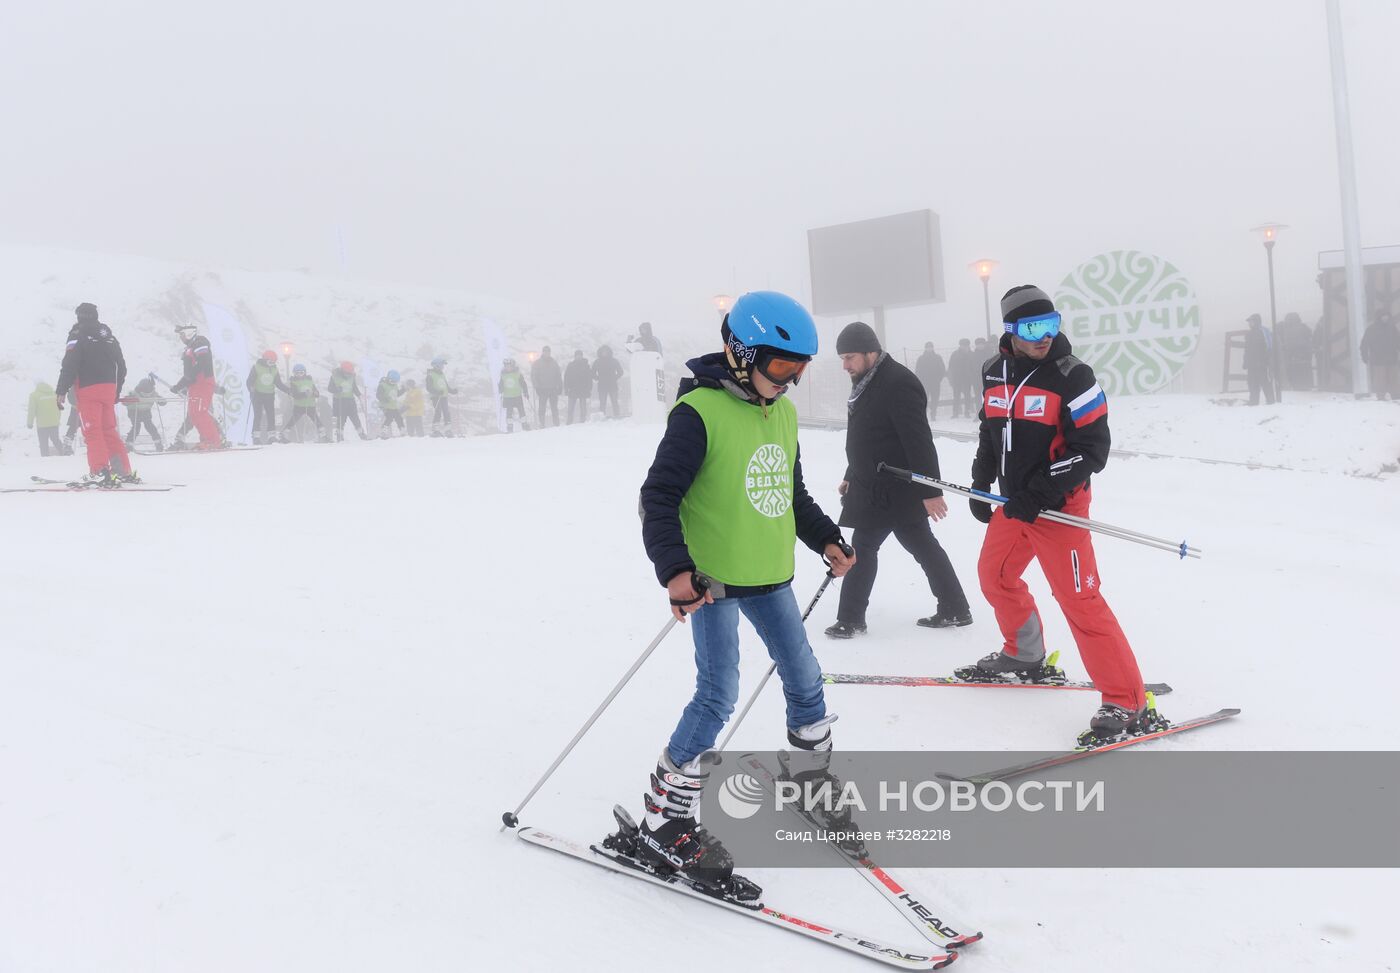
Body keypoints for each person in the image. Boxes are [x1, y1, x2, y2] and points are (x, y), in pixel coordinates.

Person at [634, 290, 855, 887]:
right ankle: (665, 817)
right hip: (713, 584)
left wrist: (826, 538)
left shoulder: (779, 413)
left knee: (805, 677)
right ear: (740, 352)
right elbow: (658, 497)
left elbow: (790, 493)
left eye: (800, 370)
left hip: (770, 577)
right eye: (782, 366)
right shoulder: (698, 413)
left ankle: (811, 778)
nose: (789, 382)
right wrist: (676, 571)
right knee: (718, 694)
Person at [961, 284, 1157, 744]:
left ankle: (1126, 699)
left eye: (1051, 325)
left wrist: (1041, 491)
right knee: (996, 576)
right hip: (1015, 505)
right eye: (1032, 327)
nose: (1044, 336)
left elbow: (1093, 450)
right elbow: (990, 431)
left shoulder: (1073, 376)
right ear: (1009, 331)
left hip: (1060, 508)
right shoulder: (994, 371)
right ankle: (1024, 653)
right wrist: (981, 480)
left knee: (1079, 601)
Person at [824, 322, 971, 639]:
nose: (845, 365)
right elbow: (866, 436)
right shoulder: (867, 381)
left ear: (869, 352)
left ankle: (850, 619)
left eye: (849, 357)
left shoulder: (898, 383)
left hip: (893, 486)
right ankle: (955, 607)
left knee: (864, 547)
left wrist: (930, 490)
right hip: (873, 483)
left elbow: (918, 440)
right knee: (920, 545)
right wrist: (851, 474)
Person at [54, 302, 132, 484]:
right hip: (108, 388)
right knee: (109, 430)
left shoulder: (77, 334)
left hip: (88, 388)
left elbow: (70, 364)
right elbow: (122, 365)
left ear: (79, 316)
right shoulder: (108, 336)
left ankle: (99, 471)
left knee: (92, 431)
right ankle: (122, 471)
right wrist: (116, 389)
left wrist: (61, 390)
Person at [170, 324, 223, 447]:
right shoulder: (189, 347)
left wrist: (187, 380)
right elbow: (189, 373)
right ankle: (205, 439)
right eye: (180, 335)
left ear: (189, 333)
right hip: (194, 384)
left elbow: (202, 363)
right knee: (193, 413)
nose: (181, 338)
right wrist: (179, 386)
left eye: (182, 334)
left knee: (200, 412)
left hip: (203, 382)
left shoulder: (200, 343)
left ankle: (213, 440)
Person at [246, 350, 291, 445]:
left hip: (269, 395)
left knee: (271, 415)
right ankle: (256, 437)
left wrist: (288, 390)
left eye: (274, 362)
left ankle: (271, 436)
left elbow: (278, 383)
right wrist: (251, 387)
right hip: (257, 394)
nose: (272, 364)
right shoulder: (257, 367)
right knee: (258, 415)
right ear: (265, 359)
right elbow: (249, 381)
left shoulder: (274, 369)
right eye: (270, 362)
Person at [1360, 309, 1400, 401]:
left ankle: (1396, 394)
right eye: (1383, 316)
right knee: (1380, 379)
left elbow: (1398, 341)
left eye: (1387, 316)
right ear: (1379, 317)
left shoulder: (1392, 328)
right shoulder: (1371, 329)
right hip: (1378, 359)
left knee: (1394, 377)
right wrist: (1364, 355)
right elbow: (1364, 343)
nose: (1385, 317)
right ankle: (1381, 395)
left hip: (1392, 357)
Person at [280, 364, 325, 442]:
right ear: (294, 373)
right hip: (299, 406)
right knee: (293, 421)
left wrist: (315, 393)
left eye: (301, 373)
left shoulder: (309, 381)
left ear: (304, 373)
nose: (299, 375)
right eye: (297, 373)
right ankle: (284, 435)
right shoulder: (294, 382)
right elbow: (295, 395)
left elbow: (316, 392)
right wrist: (305, 394)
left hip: (310, 405)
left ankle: (323, 436)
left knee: (317, 420)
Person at [327, 361, 368, 441]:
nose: (348, 374)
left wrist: (359, 395)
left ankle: (361, 434)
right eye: (347, 372)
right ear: (343, 371)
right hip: (339, 400)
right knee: (341, 418)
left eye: (350, 372)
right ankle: (339, 436)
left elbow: (354, 387)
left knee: (355, 417)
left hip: (350, 400)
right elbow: (330, 388)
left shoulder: (352, 376)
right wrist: (337, 389)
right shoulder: (334, 376)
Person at [1243, 313, 1276, 405]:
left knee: (1264, 381)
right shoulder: (1249, 334)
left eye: (1251, 321)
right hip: (1252, 363)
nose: (1249, 323)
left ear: (1256, 321)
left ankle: (1271, 401)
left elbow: (1269, 347)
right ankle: (1253, 401)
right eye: (1249, 322)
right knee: (1252, 382)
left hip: (1261, 362)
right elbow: (1247, 349)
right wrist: (1245, 361)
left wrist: (1266, 360)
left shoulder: (1263, 332)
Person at [123, 376, 163, 450]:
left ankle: (158, 443)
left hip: (146, 411)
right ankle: (129, 444)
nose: (147, 394)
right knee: (136, 427)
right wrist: (128, 400)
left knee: (149, 426)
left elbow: (163, 402)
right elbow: (125, 402)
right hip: (134, 411)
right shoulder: (134, 393)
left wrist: (161, 401)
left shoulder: (153, 393)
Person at [27, 380, 65, 457]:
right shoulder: (54, 393)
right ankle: (64, 453)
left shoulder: (34, 395)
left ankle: (45, 459)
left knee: (43, 443)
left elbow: (32, 410)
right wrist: (57, 419)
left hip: (42, 424)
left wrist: (30, 423)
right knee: (56, 440)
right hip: (54, 423)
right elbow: (59, 408)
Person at [530, 346, 563, 427]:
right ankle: (542, 424)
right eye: (545, 351)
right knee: (542, 408)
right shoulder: (537, 363)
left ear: (550, 353)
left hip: (553, 388)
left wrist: (560, 386)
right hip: (542, 389)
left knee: (554, 408)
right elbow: (534, 376)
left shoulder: (554, 362)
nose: (547, 353)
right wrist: (537, 387)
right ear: (543, 352)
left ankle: (556, 423)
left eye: (548, 352)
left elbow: (558, 375)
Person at [914, 341, 947, 421]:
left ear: (933, 348)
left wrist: (938, 379)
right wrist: (920, 380)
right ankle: (923, 414)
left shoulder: (937, 358)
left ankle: (933, 414)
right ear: (925, 348)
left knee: (935, 399)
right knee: (924, 399)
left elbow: (942, 369)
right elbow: (918, 371)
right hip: (924, 383)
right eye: (928, 347)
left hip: (935, 383)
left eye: (930, 347)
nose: (929, 349)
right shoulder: (921, 359)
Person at [426, 356, 457, 437]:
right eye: (442, 365)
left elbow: (446, 386)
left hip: (443, 396)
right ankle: (435, 431)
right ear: (436, 365)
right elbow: (428, 387)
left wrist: (452, 391)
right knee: (438, 412)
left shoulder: (442, 374)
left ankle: (448, 430)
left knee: (446, 412)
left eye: (443, 365)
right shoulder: (430, 374)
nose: (443, 367)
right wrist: (437, 392)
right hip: (436, 397)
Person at [947, 338, 975, 417]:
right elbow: (950, 367)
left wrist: (973, 378)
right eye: (963, 345)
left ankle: (967, 412)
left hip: (967, 380)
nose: (964, 347)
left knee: (967, 396)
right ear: (960, 345)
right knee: (956, 396)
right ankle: (955, 413)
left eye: (966, 345)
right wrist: (951, 379)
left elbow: (974, 367)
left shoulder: (971, 354)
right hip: (957, 379)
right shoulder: (955, 354)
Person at [593, 344, 623, 417]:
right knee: (602, 403)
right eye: (603, 351)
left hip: (612, 385)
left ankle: (617, 415)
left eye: (606, 351)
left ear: (609, 352)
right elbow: (592, 372)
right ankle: (602, 416)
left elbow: (620, 371)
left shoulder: (614, 361)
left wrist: (614, 378)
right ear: (600, 352)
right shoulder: (597, 362)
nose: (604, 353)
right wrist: (597, 378)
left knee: (614, 401)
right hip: (602, 385)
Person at [499, 357, 529, 428]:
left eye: (509, 366)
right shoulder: (503, 375)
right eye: (506, 366)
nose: (508, 367)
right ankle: (509, 426)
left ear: (512, 366)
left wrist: (525, 391)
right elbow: (501, 384)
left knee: (521, 410)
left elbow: (523, 383)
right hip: (508, 396)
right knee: (509, 412)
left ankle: (524, 425)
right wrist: (500, 389)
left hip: (517, 395)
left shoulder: (517, 374)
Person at [564, 350, 592, 424]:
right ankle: (569, 423)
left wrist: (589, 389)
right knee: (570, 409)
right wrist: (566, 388)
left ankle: (582, 422)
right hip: (572, 389)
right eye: (577, 355)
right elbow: (566, 377)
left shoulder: (586, 365)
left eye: (580, 355)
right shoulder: (570, 365)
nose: (578, 357)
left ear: (582, 356)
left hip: (583, 390)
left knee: (583, 409)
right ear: (575, 356)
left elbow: (589, 378)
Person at [376, 370, 406, 437]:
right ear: (388, 379)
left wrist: (403, 390)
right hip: (385, 406)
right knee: (389, 417)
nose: (393, 383)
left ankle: (402, 430)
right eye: (392, 381)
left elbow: (396, 394)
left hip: (393, 406)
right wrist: (384, 399)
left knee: (399, 418)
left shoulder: (395, 385)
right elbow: (378, 395)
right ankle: (383, 431)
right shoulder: (382, 385)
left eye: (395, 382)